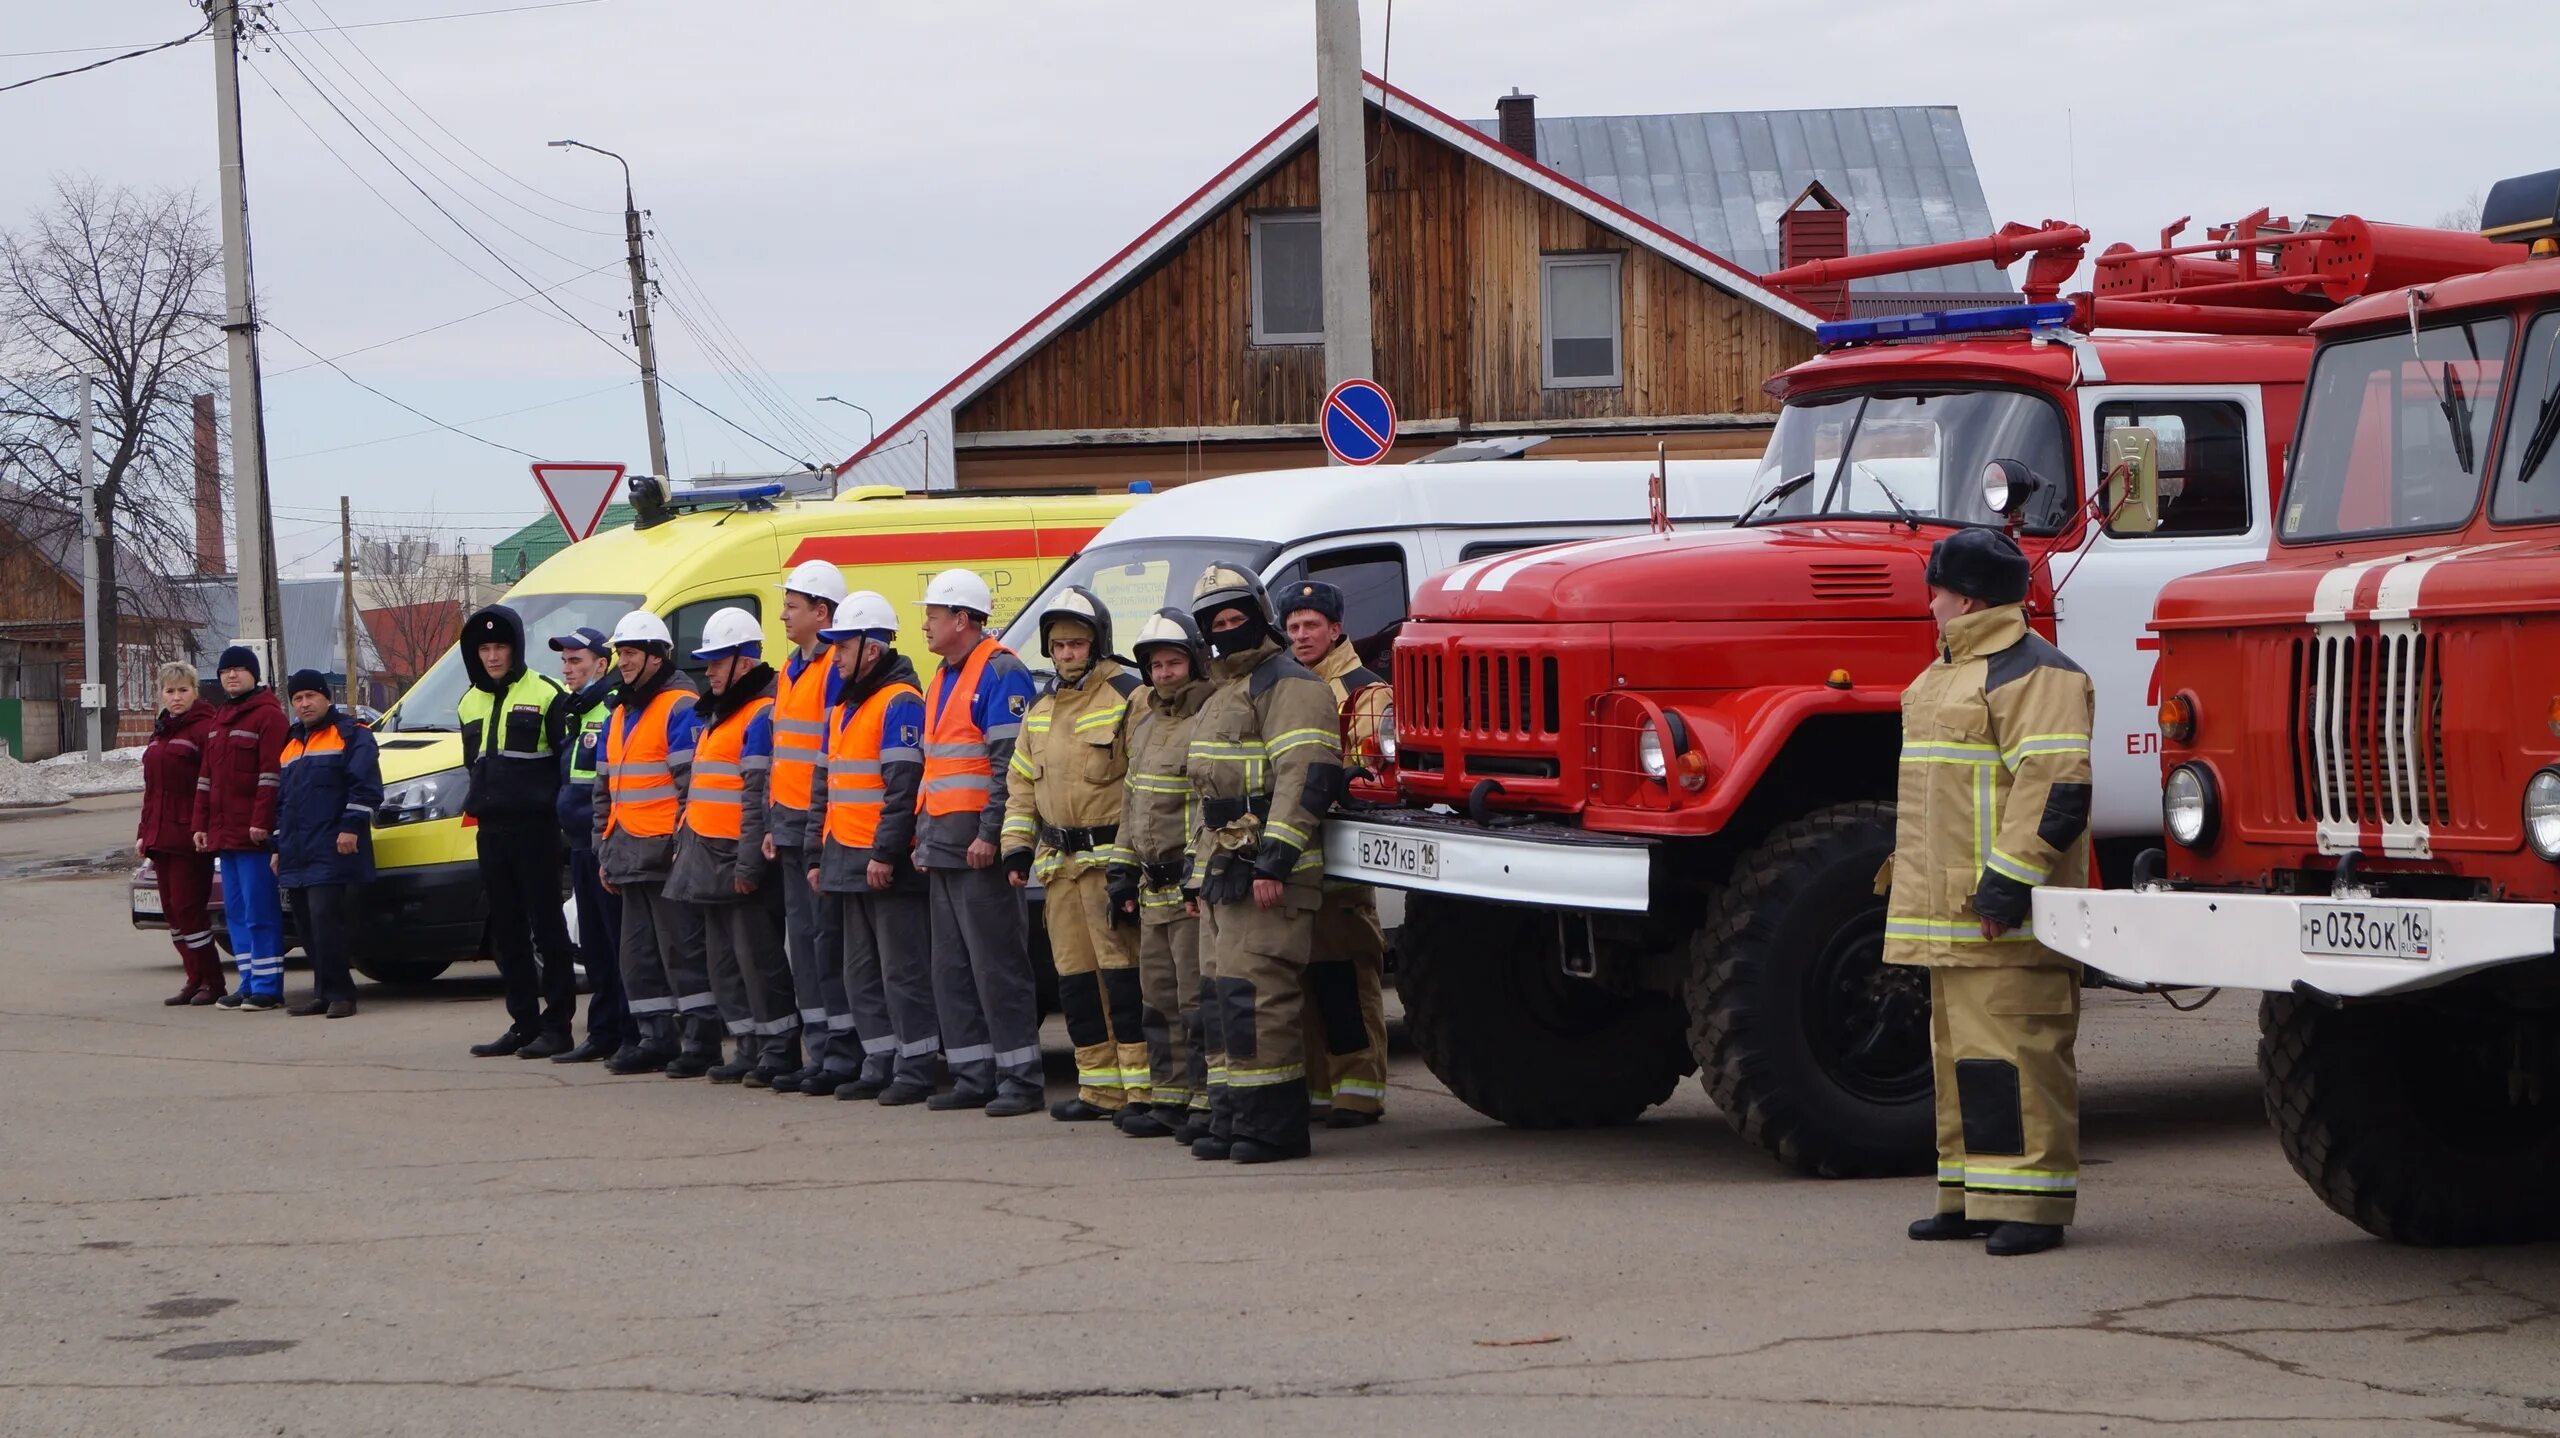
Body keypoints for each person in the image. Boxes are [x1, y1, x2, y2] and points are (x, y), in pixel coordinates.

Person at [1887, 527, 2094, 1258]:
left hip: (2001, 913)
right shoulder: (1948, 673)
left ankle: (2032, 1207)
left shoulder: (2036, 674)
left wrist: (2006, 889)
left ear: (1968, 597)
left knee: (2017, 1055)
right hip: (1956, 914)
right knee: (1963, 1059)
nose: (1931, 605)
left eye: (1936, 592)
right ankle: (1972, 1194)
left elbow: (2056, 791)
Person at [1183, 565, 1345, 1164]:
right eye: (1216, 623)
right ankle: (1232, 1118)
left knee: (1260, 997)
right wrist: (1197, 874)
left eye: (1236, 617)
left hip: (1267, 872)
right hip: (1225, 871)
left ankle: (1272, 1128)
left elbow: (1307, 778)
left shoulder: (1291, 686)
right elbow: (1205, 793)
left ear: (1259, 615)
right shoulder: (1225, 690)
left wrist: (1275, 862)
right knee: (1222, 998)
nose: (1229, 629)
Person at [999, 587, 1147, 1123]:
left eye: (1076, 644)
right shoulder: (1040, 709)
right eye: (1058, 645)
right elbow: (1020, 785)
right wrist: (1015, 847)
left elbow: (1144, 785)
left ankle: (1143, 1091)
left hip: (1110, 866)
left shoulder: (1129, 695)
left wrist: (1131, 865)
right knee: (1077, 983)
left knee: (1125, 980)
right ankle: (1099, 1087)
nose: (1065, 654)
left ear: (1097, 643)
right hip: (1059, 869)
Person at [912, 567, 1045, 1117]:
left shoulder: (1001, 672)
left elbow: (1005, 766)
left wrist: (991, 833)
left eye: (933, 615)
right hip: (944, 846)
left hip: (975, 848)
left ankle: (1020, 1078)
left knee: (997, 966)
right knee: (953, 969)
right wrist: (923, 838)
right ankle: (973, 1073)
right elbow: (934, 768)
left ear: (961, 620)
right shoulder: (943, 675)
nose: (925, 625)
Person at [803, 591, 937, 1105]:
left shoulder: (899, 701)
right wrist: (818, 854)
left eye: (842, 647)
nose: (834, 656)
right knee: (861, 970)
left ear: (871, 650)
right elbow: (826, 786)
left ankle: (917, 1064)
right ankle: (880, 1060)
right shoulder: (845, 704)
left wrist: (885, 854)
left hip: (881, 863)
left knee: (901, 971)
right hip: (845, 855)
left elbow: (903, 786)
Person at [1278, 579, 1390, 1129]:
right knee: (1304, 976)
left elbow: (1369, 772)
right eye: (1294, 627)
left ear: (1336, 629)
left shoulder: (1364, 689)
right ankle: (1322, 1085)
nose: (1301, 635)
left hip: (1342, 858)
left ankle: (1360, 1088)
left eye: (1311, 626)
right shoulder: (1290, 687)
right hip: (1299, 855)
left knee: (1345, 976)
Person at [666, 607, 794, 1085]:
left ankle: (777, 1049)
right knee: (726, 964)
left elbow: (756, 794)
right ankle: (747, 1046)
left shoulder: (758, 714)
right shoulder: (724, 712)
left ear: (744, 662)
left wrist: (747, 865)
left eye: (718, 661)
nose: (710, 670)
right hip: (710, 858)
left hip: (735, 860)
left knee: (758, 962)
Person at [592, 610, 713, 1075]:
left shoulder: (679, 706)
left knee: (683, 952)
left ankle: (701, 1042)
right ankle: (654, 1038)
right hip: (628, 853)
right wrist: (605, 845)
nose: (621, 662)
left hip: (665, 853)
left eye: (630, 653)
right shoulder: (620, 712)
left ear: (657, 657)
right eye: (619, 653)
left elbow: (692, 786)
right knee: (638, 956)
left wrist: (682, 846)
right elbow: (604, 789)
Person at [456, 605, 580, 1058]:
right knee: (506, 933)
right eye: (484, 648)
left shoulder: (546, 693)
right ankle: (523, 1023)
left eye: (500, 647)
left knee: (546, 929)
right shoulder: (468, 700)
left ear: (515, 649)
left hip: (536, 829)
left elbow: (563, 766)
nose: (492, 656)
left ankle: (558, 1026)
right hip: (491, 830)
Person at [1117, 608, 1217, 1140]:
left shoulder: (1209, 719)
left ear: (1196, 663)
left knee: (1194, 998)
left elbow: (1209, 806)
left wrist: (1198, 877)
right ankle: (1170, 1097)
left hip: (1187, 888)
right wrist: (1120, 869)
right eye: (1155, 665)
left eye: (1174, 662)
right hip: (1150, 886)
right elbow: (1132, 800)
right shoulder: (1149, 723)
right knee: (1157, 997)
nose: (1163, 674)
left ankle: (1205, 1100)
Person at [763, 560, 856, 1095]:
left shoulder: (832, 671)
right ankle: (820, 1050)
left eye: (792, 607)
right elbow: (785, 755)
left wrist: (814, 826)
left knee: (826, 944)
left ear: (822, 612)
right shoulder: (789, 669)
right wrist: (777, 820)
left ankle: (839, 1052)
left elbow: (830, 758)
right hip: (792, 827)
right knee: (804, 944)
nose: (783, 615)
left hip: (819, 829)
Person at [274, 670, 379, 1019]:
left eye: (310, 697)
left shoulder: (350, 734)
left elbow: (364, 786)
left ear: (326, 698)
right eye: (298, 699)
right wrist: (276, 846)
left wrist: (350, 827)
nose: (304, 704)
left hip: (333, 847)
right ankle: (322, 992)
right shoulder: (291, 743)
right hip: (298, 850)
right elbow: (283, 801)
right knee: (306, 925)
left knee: (326, 922)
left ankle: (342, 995)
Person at [194, 645, 288, 1012]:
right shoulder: (220, 719)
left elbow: (271, 777)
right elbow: (206, 779)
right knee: (235, 911)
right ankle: (247, 983)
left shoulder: (268, 716)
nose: (231, 676)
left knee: (260, 910)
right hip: (224, 835)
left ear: (254, 675)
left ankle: (268, 987)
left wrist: (261, 823)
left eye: (239, 670)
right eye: (225, 671)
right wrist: (200, 824)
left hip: (253, 837)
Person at [549, 627, 626, 1064]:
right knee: (594, 945)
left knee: (614, 944)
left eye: (577, 661)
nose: (567, 668)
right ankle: (603, 1031)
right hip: (580, 841)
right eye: (565, 661)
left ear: (602, 664)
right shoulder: (576, 711)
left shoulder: (609, 709)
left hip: (603, 841)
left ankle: (621, 1030)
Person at [139, 661, 223, 1006]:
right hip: (160, 836)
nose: (176, 698)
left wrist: (202, 826)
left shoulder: (204, 729)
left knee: (190, 909)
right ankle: (194, 977)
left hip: (189, 835)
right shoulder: (161, 731)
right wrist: (144, 832)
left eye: (183, 690)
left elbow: (211, 784)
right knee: (172, 912)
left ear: (195, 692)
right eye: (170, 691)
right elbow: (151, 790)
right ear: (161, 694)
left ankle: (214, 982)